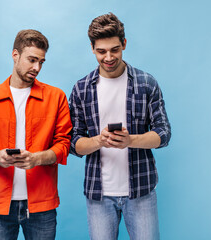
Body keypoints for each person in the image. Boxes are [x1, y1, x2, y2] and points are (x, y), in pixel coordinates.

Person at [69, 13, 171, 240]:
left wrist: (130, 140)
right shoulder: (81, 89)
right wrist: (98, 140)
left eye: (114, 49)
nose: (108, 57)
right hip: (99, 195)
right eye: (101, 51)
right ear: (92, 48)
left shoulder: (146, 83)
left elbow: (164, 133)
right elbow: (73, 143)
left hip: (141, 192)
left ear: (124, 44)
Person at [0, 29, 72, 240]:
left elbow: (64, 145)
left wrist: (37, 158)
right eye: (32, 60)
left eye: (41, 62)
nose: (37, 68)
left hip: (42, 205)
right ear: (15, 55)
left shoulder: (56, 97)